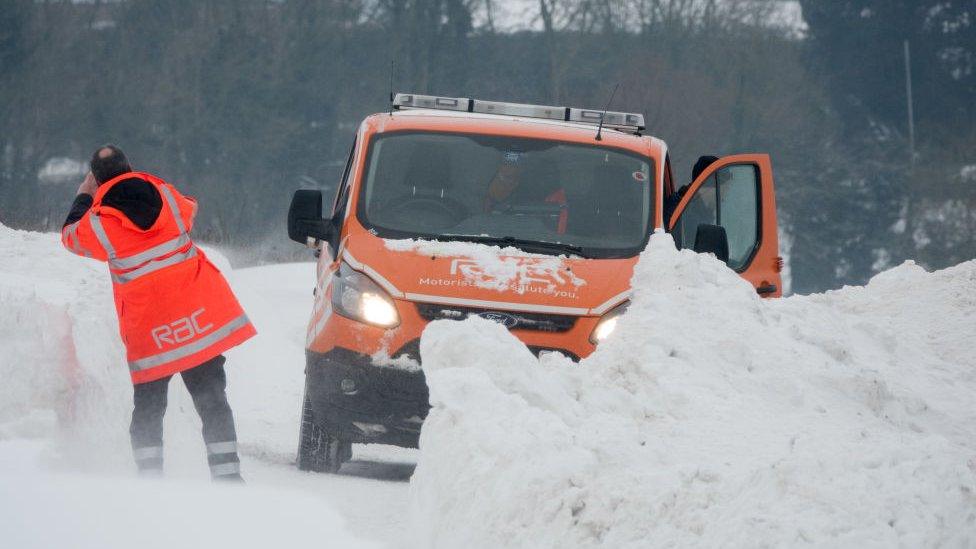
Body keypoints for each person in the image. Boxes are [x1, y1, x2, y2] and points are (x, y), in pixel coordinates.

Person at [62, 145, 256, 481]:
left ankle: (150, 482)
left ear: (95, 179)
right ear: (130, 166)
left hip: (150, 329)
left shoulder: (99, 224)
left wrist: (84, 198)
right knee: (212, 399)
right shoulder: (164, 194)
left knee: (150, 408)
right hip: (196, 318)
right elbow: (189, 210)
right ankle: (229, 479)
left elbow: (69, 238)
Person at [484, 151, 568, 234]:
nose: (509, 171)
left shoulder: (558, 198)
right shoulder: (487, 191)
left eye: (516, 168)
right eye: (505, 166)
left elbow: (560, 236)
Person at [664, 155, 719, 225]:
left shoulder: (696, 210)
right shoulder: (681, 214)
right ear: (709, 187)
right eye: (722, 190)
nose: (723, 198)